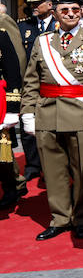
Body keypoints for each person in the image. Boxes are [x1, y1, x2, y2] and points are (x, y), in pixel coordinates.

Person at [21, 0, 83, 239]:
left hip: (82, 112)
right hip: (48, 112)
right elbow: (31, 80)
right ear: (55, 13)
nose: (71, 14)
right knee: (53, 172)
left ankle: (82, 217)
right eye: (65, 10)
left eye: (76, 9)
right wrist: (28, 113)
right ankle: (60, 218)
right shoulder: (43, 41)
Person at [16, 0, 55, 188]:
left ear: (50, 4)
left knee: (50, 128)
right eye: (31, 3)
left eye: (37, 3)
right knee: (27, 125)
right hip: (29, 84)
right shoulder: (23, 26)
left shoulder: (60, 24)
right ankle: (32, 165)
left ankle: (51, 167)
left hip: (52, 83)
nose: (33, 7)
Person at [0, 17, 23, 210]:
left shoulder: (1, 33)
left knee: (2, 153)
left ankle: (11, 188)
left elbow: (14, 71)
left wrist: (13, 108)